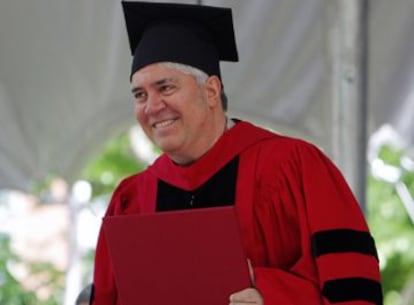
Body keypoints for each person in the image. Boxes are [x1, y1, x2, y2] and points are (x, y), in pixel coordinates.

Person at [91, 1, 383, 304]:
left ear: (211, 91)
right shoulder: (131, 200)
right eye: (140, 95)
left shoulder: (295, 168)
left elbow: (353, 290)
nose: (151, 107)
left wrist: (268, 293)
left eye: (165, 88)